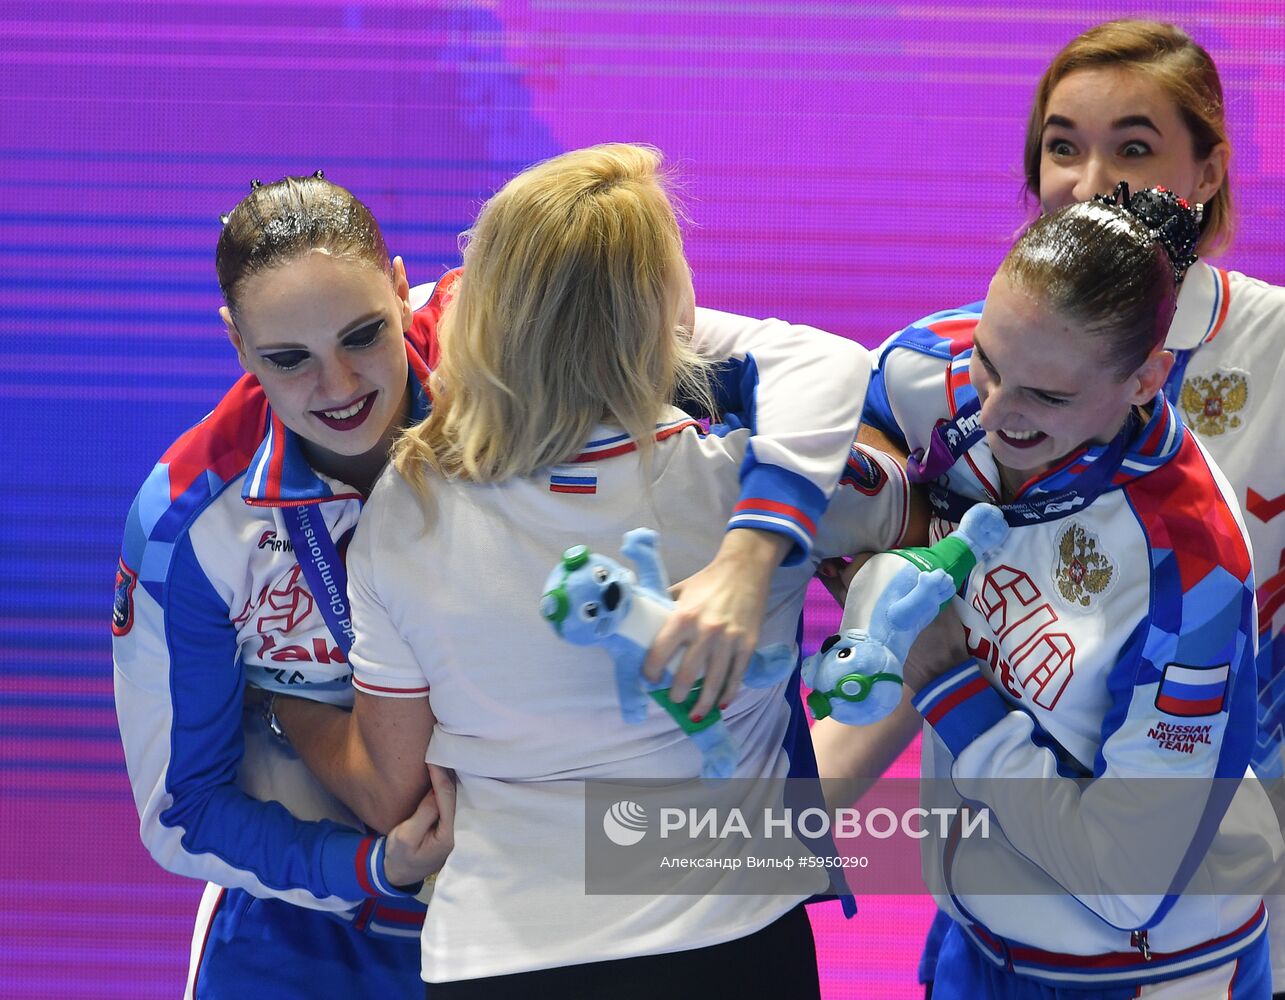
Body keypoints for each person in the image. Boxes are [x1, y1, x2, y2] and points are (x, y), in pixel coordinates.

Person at [112, 165, 882, 997]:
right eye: (287, 359)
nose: (336, 388)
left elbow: (810, 367)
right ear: (235, 341)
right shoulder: (188, 522)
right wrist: (367, 866)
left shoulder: (508, 327)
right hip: (312, 925)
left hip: (541, 910)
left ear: (404, 290)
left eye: (365, 335)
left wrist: (751, 553)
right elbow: (181, 810)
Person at [815, 20, 1285, 997]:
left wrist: (943, 674)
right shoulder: (957, 359)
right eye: (1062, 145)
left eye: (1134, 147)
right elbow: (873, 499)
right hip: (979, 916)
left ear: (1206, 171)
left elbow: (1130, 868)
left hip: (1170, 925)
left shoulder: (1196, 538)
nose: (1088, 180)